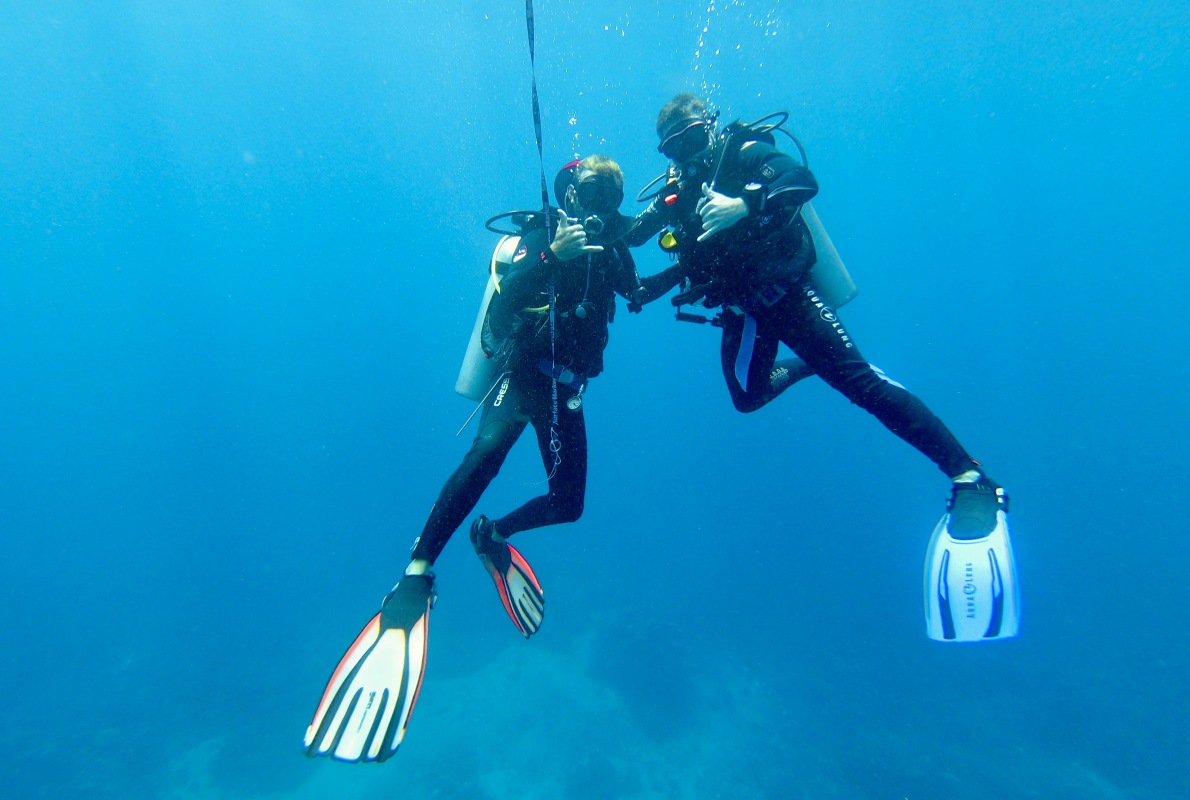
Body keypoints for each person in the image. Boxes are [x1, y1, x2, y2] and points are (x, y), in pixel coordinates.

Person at [303, 155, 682, 763]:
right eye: (591, 192)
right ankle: (417, 574)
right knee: (488, 453)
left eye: (611, 195)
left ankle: (493, 535)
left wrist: (688, 261)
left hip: (567, 389)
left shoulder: (611, 249)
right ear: (569, 193)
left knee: (569, 503)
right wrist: (552, 255)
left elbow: (636, 294)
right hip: (524, 373)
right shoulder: (544, 237)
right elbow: (503, 314)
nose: (602, 205)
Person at [628, 93, 1018, 643]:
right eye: (674, 147)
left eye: (693, 139)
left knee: (860, 386)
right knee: (747, 396)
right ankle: (811, 368)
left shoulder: (744, 150)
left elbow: (800, 179)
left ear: (709, 128)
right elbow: (637, 234)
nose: (687, 154)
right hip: (746, 311)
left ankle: (970, 476)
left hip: (787, 295)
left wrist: (746, 203)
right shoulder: (679, 189)